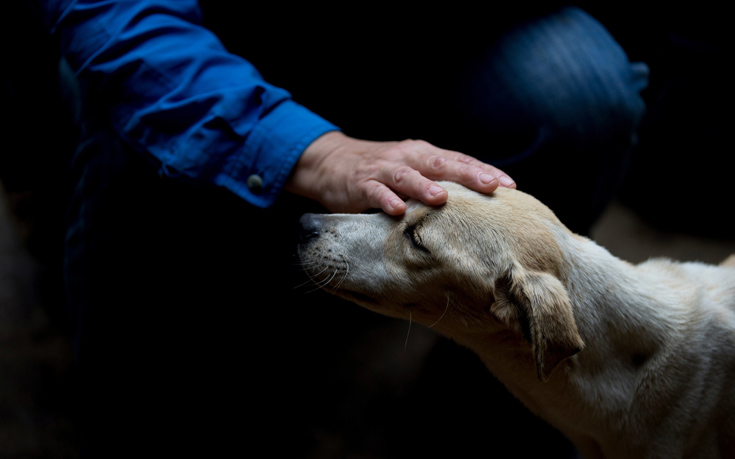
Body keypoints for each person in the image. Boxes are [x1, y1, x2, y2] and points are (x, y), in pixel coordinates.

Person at [26, 1, 648, 456]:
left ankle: (483, 404)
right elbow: (118, 15)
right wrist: (316, 152)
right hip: (201, 38)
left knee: (583, 93)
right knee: (133, 128)